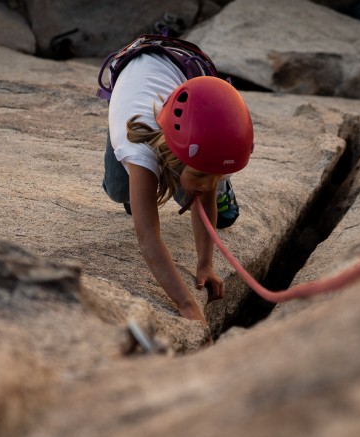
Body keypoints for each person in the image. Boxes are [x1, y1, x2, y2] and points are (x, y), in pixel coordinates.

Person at [102, 50, 254, 325]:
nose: (208, 185)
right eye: (205, 174)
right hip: (133, 88)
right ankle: (142, 187)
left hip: (177, 77)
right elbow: (148, 238)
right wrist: (185, 304)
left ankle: (219, 184)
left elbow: (204, 198)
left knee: (197, 193)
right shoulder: (137, 149)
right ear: (176, 154)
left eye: (216, 176)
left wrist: (205, 264)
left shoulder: (196, 149)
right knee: (120, 191)